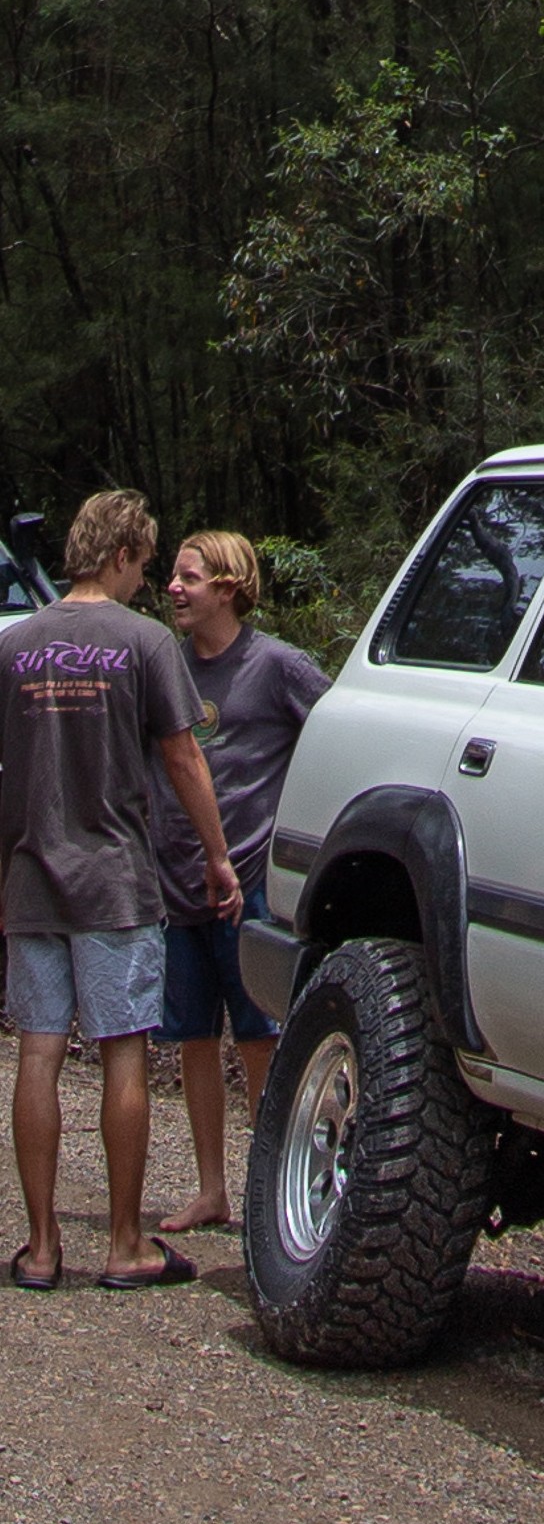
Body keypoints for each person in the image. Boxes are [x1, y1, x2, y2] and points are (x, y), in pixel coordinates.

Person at [0, 487, 241, 1290]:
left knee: (37, 1051)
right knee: (122, 1054)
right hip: (113, 880)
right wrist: (218, 855)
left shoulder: (15, 644)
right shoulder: (142, 643)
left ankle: (38, 1249)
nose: (149, 582)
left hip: (31, 876)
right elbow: (182, 757)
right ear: (122, 554)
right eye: (145, 563)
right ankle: (126, 1244)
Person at [151, 531, 329, 1232]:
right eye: (171, 576)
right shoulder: (168, 670)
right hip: (177, 881)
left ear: (227, 586)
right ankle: (210, 1188)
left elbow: (338, 735)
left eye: (187, 577)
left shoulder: (278, 665)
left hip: (252, 882)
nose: (173, 589)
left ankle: (264, 1186)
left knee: (259, 1036)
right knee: (194, 1036)